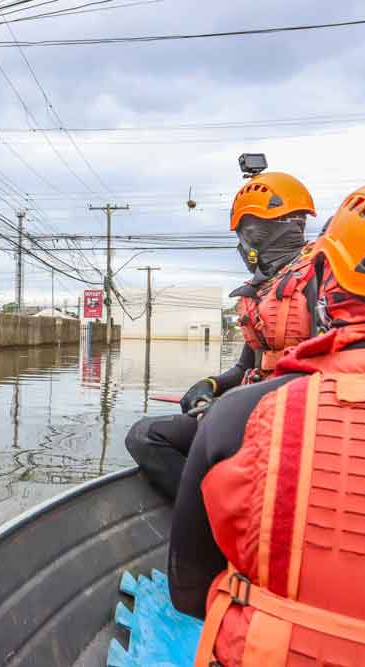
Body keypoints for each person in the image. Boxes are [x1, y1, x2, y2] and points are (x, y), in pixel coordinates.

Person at [169, 175, 365, 666]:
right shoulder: (258, 304)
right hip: (278, 397)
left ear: (332, 279)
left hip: (281, 411)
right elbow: (243, 365)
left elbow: (188, 593)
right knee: (151, 436)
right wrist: (212, 387)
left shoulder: (242, 417)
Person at [126, 165, 317, 499]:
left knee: (202, 440)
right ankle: (215, 510)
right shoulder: (262, 290)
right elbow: (246, 367)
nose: (243, 245)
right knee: (144, 436)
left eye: (245, 233)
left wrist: (234, 404)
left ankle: (225, 514)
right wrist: (211, 386)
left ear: (259, 234)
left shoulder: (318, 278)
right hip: (253, 411)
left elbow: (323, 374)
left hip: (297, 420)